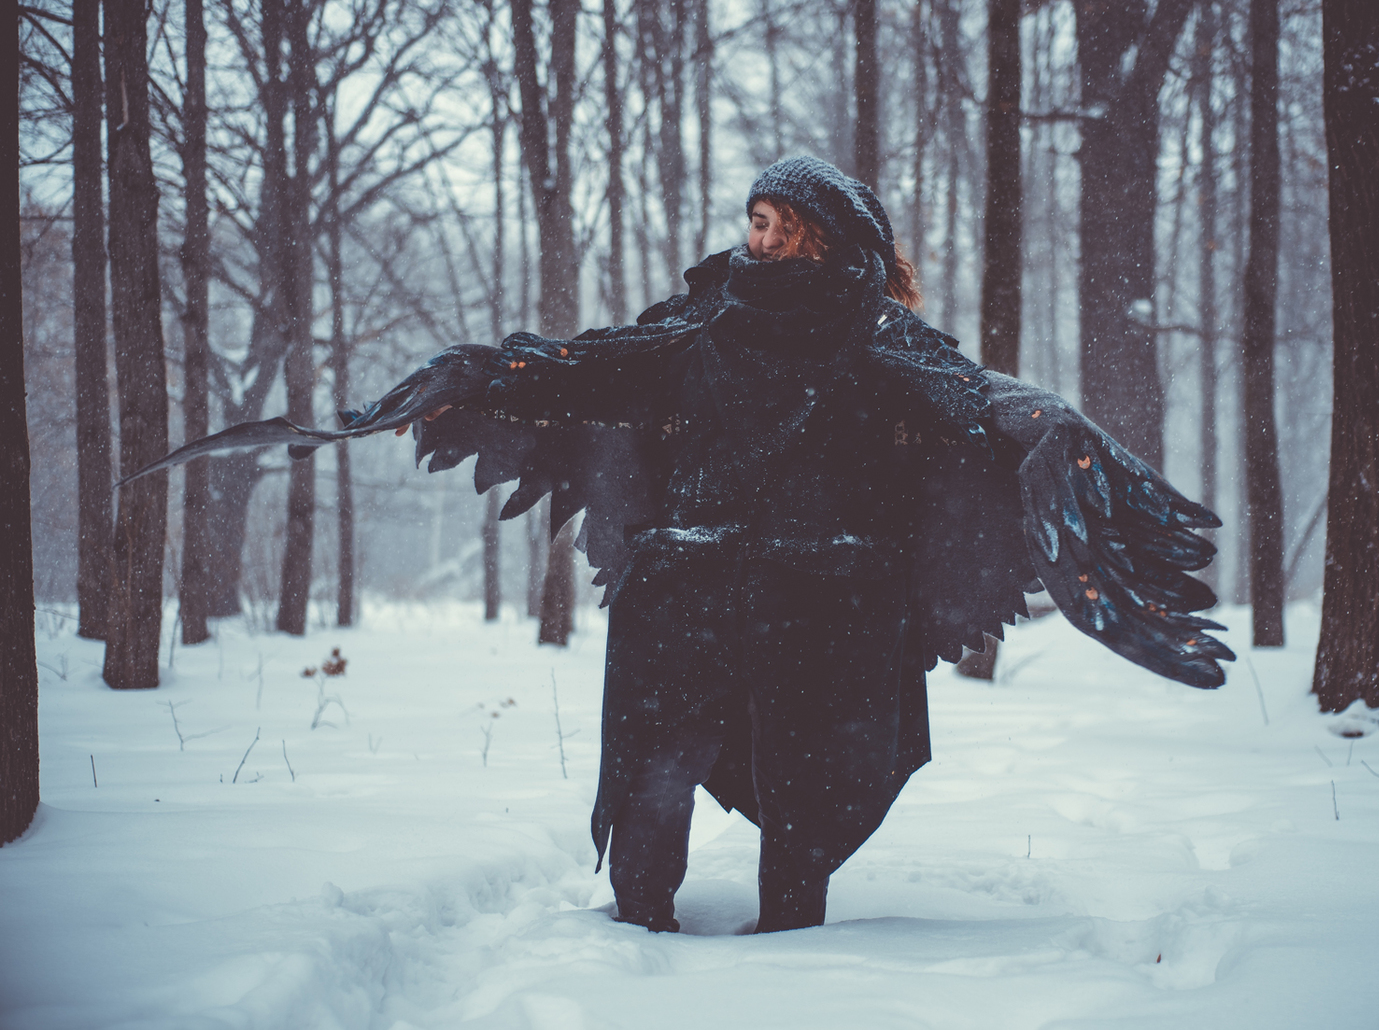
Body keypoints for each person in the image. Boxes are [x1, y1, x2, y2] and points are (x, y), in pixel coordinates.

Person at [125, 157, 1233, 934]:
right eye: (751, 221)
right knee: (653, 785)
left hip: (826, 605)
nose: (754, 239)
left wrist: (1041, 425)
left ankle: (792, 952)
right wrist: (488, 369)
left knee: (807, 797)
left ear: (823, 238)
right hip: (686, 594)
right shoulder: (701, 321)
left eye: (774, 226)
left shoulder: (881, 337)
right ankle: (634, 938)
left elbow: (974, 397)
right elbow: (595, 364)